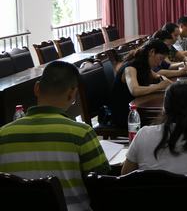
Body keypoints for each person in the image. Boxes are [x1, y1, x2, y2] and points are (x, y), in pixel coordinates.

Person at [0, 61, 109, 211]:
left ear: (36, 88)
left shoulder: (3, 135)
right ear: (72, 94)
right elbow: (103, 185)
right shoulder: (82, 133)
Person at [110, 39, 173, 128]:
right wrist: (158, 86)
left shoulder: (144, 66)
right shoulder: (130, 68)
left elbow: (159, 76)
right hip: (126, 115)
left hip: (138, 109)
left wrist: (171, 85)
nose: (159, 63)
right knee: (166, 119)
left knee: (168, 117)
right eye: (160, 59)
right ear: (152, 52)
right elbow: (135, 90)